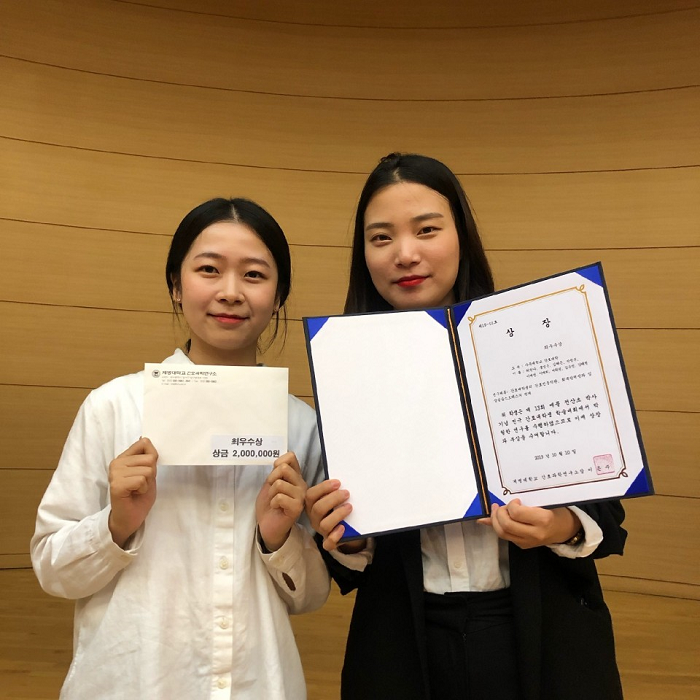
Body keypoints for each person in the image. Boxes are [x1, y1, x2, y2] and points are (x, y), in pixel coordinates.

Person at [305, 153, 626, 700]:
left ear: (461, 236)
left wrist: (558, 526)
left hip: (542, 634)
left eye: (427, 229)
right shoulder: (347, 368)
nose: (405, 253)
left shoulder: (532, 343)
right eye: (381, 238)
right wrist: (342, 535)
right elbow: (351, 565)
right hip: (405, 644)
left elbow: (606, 517)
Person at [31, 197, 330, 700]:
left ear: (278, 296)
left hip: (256, 683)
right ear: (176, 284)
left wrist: (278, 541)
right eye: (209, 270)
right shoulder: (114, 407)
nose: (230, 292)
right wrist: (116, 525)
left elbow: (312, 596)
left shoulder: (301, 428)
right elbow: (51, 568)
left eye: (254, 275)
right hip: (131, 682)